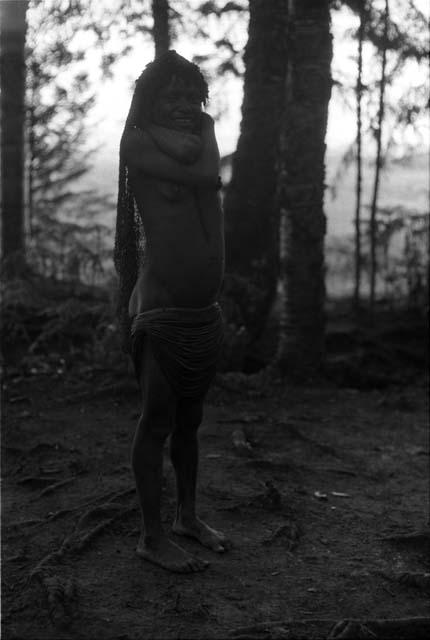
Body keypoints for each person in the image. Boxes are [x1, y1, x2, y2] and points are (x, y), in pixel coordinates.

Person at [115, 51, 227, 573]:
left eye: (191, 96)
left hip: (202, 309)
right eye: (171, 96)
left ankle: (186, 517)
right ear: (149, 99)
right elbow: (205, 174)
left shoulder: (201, 131)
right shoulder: (135, 141)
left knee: (190, 421)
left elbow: (207, 174)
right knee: (156, 420)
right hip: (161, 309)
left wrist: (198, 126)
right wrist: (194, 129)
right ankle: (151, 536)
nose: (185, 106)